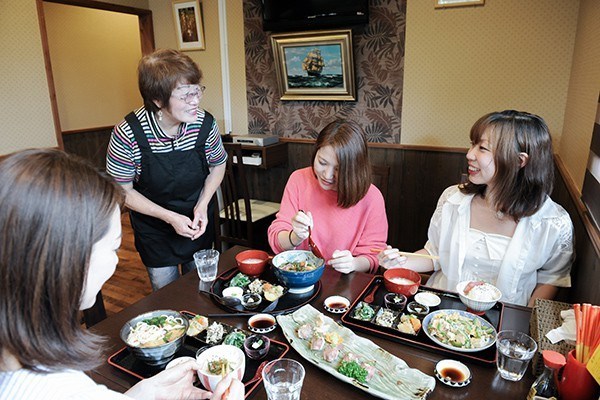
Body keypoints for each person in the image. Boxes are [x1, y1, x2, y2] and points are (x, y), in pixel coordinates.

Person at [0, 149, 243, 400]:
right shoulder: (55, 390)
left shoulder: (25, 366)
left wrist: (143, 394)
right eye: (114, 246)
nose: (116, 261)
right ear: (70, 258)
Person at [378, 110, 574, 307]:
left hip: (504, 321)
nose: (469, 154)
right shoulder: (453, 199)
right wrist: (399, 262)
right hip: (442, 311)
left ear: (519, 161)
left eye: (483, 148)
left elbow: (550, 278)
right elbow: (434, 255)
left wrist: (525, 320)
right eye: (473, 144)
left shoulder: (553, 222)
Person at [106, 49, 226, 291]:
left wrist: (202, 204)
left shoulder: (204, 123)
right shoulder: (129, 133)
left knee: (203, 289)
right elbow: (121, 189)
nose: (195, 101)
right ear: (158, 100)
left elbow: (218, 164)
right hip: (156, 230)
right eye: (185, 96)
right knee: (167, 295)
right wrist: (170, 218)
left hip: (197, 220)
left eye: (197, 91)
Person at [268, 121, 388, 274]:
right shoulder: (298, 180)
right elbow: (276, 239)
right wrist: (295, 236)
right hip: (300, 276)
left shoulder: (372, 197)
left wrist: (353, 264)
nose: (327, 175)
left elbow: (374, 254)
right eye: (322, 163)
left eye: (339, 169)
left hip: (345, 281)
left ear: (354, 169)